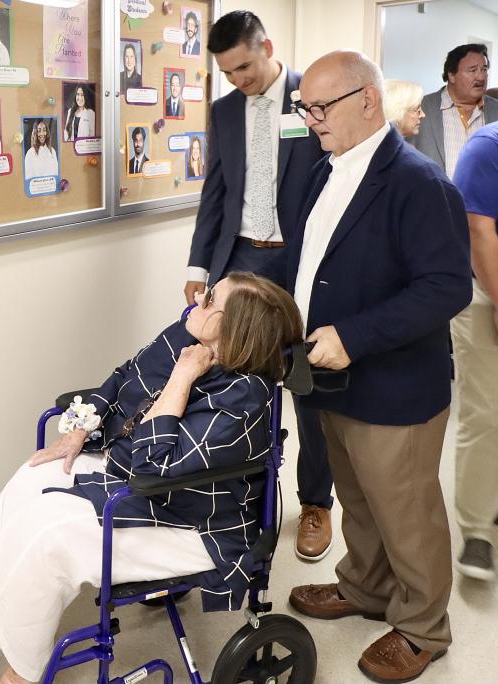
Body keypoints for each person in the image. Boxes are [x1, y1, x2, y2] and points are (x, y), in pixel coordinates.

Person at [0, 273, 306, 684]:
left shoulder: (243, 400)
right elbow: (125, 374)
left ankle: (22, 674)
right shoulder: (184, 335)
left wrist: (182, 378)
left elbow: (154, 466)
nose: (198, 299)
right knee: (31, 477)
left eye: (211, 298)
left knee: (50, 534)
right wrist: (83, 426)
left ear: (235, 331)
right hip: (132, 472)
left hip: (187, 519)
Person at [287, 51, 471, 683]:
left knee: (406, 511)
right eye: (303, 108)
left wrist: (355, 336)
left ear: (367, 99)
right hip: (331, 377)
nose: (310, 120)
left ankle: (423, 627)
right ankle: (364, 587)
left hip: (395, 385)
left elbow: (447, 288)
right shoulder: (325, 171)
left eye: (320, 107)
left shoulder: (420, 184)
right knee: (357, 497)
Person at [185, 10, 332, 562]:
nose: (239, 80)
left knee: (307, 380)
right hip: (243, 256)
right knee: (229, 381)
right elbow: (215, 194)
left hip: (305, 259)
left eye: (244, 66)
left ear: (267, 47)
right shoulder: (224, 111)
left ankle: (316, 501)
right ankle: (235, 496)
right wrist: (200, 268)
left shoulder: (312, 98)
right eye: (228, 72)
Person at [450, 122, 498, 581]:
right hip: (485, 292)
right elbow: (480, 233)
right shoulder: (486, 149)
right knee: (486, 413)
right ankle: (477, 530)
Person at [410, 43, 498, 178]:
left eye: (484, 70)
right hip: (434, 197)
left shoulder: (495, 110)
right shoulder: (420, 108)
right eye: (473, 70)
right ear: (451, 75)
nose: (481, 77)